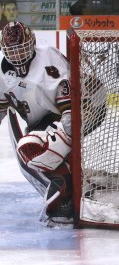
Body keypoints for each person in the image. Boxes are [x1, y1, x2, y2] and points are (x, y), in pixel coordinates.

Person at [0, 22, 74, 226]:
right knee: (30, 149)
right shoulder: (2, 74)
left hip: (69, 113)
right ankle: (65, 190)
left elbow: (70, 104)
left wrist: (65, 134)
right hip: (40, 123)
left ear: (31, 43)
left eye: (21, 49)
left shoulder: (49, 57)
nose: (17, 56)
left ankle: (66, 193)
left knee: (45, 148)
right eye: (11, 51)